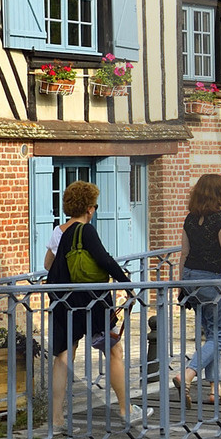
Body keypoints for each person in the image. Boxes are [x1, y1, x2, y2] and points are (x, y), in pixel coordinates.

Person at [47, 180, 130, 422]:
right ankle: (126, 410)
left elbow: (48, 266)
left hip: (64, 300)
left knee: (63, 357)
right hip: (92, 300)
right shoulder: (87, 230)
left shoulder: (60, 231)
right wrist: (127, 284)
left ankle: (56, 418)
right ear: (89, 208)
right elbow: (104, 260)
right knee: (114, 350)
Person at [176, 172, 221, 414]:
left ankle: (215, 388)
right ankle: (188, 374)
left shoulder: (189, 218)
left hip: (190, 279)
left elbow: (184, 254)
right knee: (220, 335)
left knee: (210, 333)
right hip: (212, 281)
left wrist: (181, 284)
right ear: (220, 193)